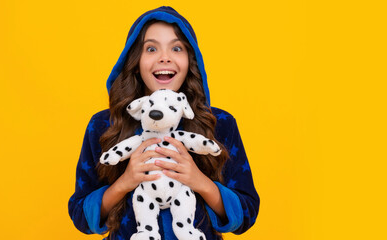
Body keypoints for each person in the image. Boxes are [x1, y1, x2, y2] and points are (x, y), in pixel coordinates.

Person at [68, 6, 260, 240]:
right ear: (135, 61)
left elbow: (247, 212)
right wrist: (126, 181)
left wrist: (199, 181)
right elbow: (80, 214)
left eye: (176, 48)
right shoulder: (103, 124)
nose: (164, 57)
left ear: (191, 60)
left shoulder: (220, 123)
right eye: (151, 48)